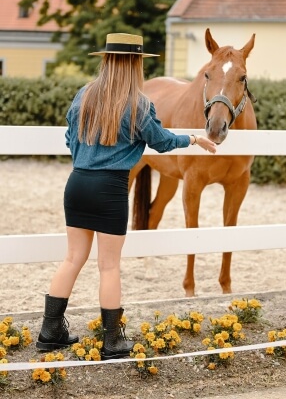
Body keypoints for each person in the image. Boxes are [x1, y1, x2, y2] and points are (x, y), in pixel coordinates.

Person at [36, 32, 217, 360]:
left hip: (77, 183)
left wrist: (88, 156)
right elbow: (161, 141)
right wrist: (192, 139)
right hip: (110, 189)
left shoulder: (83, 95)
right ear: (135, 64)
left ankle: (50, 331)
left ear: (105, 59)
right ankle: (113, 340)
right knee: (108, 266)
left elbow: (69, 138)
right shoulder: (138, 103)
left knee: (72, 259)